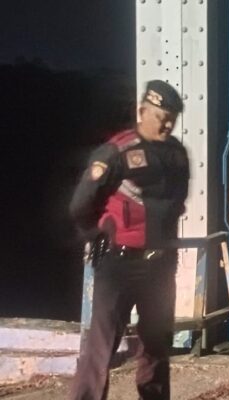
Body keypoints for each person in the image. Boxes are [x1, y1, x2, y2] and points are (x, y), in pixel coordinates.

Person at [69, 80, 189, 400]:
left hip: (160, 268)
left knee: (156, 348)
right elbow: (81, 205)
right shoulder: (116, 152)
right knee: (101, 349)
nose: (166, 124)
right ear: (142, 111)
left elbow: (177, 205)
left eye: (171, 119)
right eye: (160, 116)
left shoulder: (177, 155)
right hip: (118, 265)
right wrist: (96, 235)